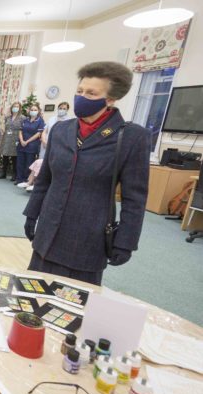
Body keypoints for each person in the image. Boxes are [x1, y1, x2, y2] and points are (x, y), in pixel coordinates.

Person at [23, 61, 150, 285]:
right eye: (80, 91)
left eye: (91, 93)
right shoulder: (61, 130)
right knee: (33, 295)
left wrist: (126, 241)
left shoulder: (131, 137)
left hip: (87, 238)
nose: (81, 97)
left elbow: (135, 198)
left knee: (72, 308)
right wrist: (32, 214)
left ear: (111, 99)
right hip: (48, 233)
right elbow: (45, 180)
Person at [23, 102, 72, 192]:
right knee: (40, 164)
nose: (62, 110)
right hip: (45, 146)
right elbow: (45, 131)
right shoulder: (52, 119)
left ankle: (43, 186)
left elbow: (67, 136)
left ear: (67, 110)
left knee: (50, 166)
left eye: (64, 108)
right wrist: (44, 141)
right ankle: (34, 183)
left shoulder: (69, 121)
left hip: (58, 147)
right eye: (60, 108)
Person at [16, 105, 45, 187]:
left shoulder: (40, 121)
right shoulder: (25, 120)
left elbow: (38, 133)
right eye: (32, 109)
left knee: (29, 164)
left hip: (32, 145)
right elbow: (20, 131)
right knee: (20, 163)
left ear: (38, 111)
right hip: (21, 144)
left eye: (35, 109)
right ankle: (19, 179)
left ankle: (26, 180)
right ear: (29, 111)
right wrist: (21, 140)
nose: (33, 111)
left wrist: (27, 141)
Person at [0, 102, 25, 180]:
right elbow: (5, 127)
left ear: (20, 108)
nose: (15, 108)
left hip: (16, 138)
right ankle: (3, 173)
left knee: (14, 157)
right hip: (6, 138)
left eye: (17, 106)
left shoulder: (23, 118)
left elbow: (23, 129)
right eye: (14, 106)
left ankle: (14, 174)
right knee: (5, 156)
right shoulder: (8, 117)